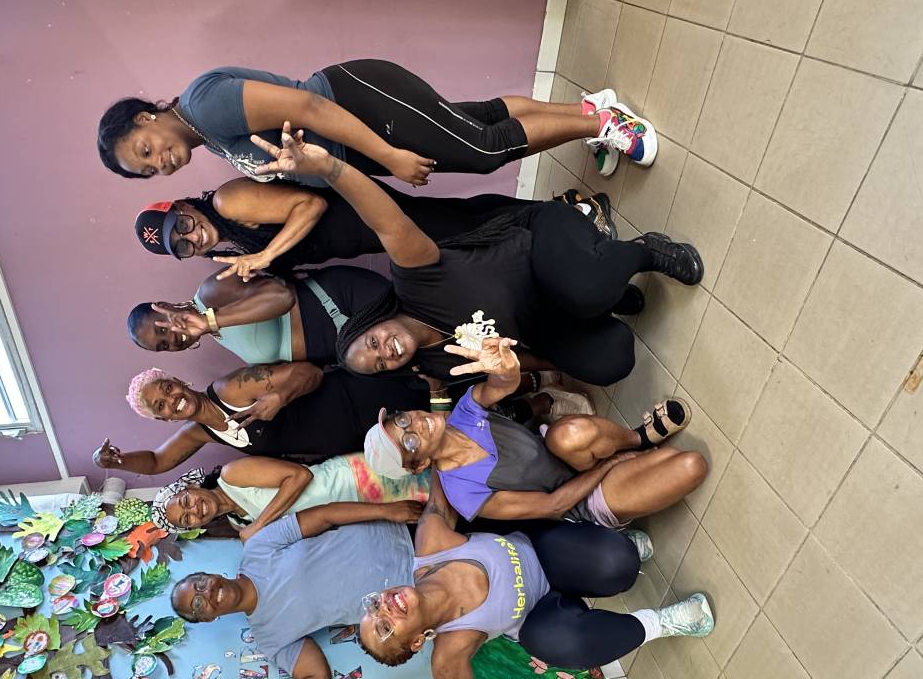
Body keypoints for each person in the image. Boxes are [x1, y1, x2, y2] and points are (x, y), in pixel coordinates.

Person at [248, 122, 699, 385]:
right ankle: (607, 289)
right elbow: (517, 365)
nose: (387, 351)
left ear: (371, 323)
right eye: (382, 364)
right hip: (546, 317)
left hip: (538, 240)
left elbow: (386, 221)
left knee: (584, 289)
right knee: (611, 362)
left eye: (373, 344)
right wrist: (512, 371)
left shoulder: (413, 280)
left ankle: (644, 252)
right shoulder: (440, 364)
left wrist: (330, 168)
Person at [357, 473, 714, 679]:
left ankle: (613, 556)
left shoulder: (431, 545)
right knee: (567, 645)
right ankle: (660, 623)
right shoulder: (449, 654)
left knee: (618, 563)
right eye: (384, 628)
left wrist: (435, 425)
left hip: (542, 550)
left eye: (373, 606)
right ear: (417, 642)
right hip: (543, 614)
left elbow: (443, 483)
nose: (383, 608)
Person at [169, 498, 421, 679]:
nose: (206, 592)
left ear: (211, 574)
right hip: (413, 594)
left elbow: (324, 515)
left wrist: (387, 510)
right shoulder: (269, 637)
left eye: (200, 584)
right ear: (207, 619)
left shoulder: (257, 548)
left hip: (403, 531)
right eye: (197, 604)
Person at [97, 58, 653, 185]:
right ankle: (588, 110)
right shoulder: (205, 135)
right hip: (358, 129)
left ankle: (608, 124)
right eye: (147, 172)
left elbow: (311, 109)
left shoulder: (204, 108)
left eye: (145, 150)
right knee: (478, 120)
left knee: (483, 151)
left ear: (147, 117)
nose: (159, 164)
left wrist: (387, 156)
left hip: (357, 103)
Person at [364, 337, 706, 527]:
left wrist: (506, 368)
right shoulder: (463, 494)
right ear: (420, 465)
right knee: (690, 465)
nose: (415, 424)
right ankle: (626, 466)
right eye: (410, 441)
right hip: (582, 500)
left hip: (567, 455)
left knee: (569, 435)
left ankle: (639, 438)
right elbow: (554, 505)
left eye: (403, 420)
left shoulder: (464, 413)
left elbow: (501, 385)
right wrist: (609, 466)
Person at [130, 179, 616, 281]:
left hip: (361, 211)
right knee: (461, 218)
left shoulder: (226, 202)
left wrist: (265, 256)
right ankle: (561, 208)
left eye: (183, 225)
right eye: (182, 246)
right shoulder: (229, 246)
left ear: (186, 205)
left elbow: (310, 204)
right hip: (364, 230)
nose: (192, 237)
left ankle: (578, 215)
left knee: (460, 229)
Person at [92, 362, 429, 475]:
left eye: (168, 388)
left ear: (178, 381)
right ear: (164, 420)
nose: (172, 400)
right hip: (363, 438)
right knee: (435, 440)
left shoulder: (231, 388)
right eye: (161, 406)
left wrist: (279, 398)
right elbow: (156, 462)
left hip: (361, 399)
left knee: (436, 406)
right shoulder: (200, 432)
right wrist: (115, 461)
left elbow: (310, 373)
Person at [127, 263, 390, 366]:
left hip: (341, 303)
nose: (172, 339)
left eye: (162, 329)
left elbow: (282, 296)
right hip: (350, 345)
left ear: (166, 305)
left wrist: (210, 320)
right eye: (164, 345)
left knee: (412, 319)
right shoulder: (217, 337)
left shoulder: (210, 292)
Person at [148, 454, 431, 537]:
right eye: (187, 519)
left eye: (186, 502)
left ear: (191, 486)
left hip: (357, 478)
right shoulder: (239, 524)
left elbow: (299, 476)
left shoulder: (232, 475)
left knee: (437, 473)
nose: (194, 510)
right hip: (363, 513)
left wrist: (260, 525)